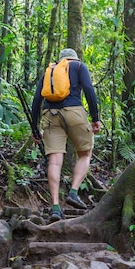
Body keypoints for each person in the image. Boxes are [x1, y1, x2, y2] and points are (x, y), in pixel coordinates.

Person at [31, 48, 102, 222]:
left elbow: (36, 99)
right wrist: (95, 118)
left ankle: (55, 207)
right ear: (74, 58)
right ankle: (73, 192)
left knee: (55, 161)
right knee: (85, 153)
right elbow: (88, 89)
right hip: (74, 112)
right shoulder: (79, 66)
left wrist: (34, 128)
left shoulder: (51, 71)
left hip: (50, 115)